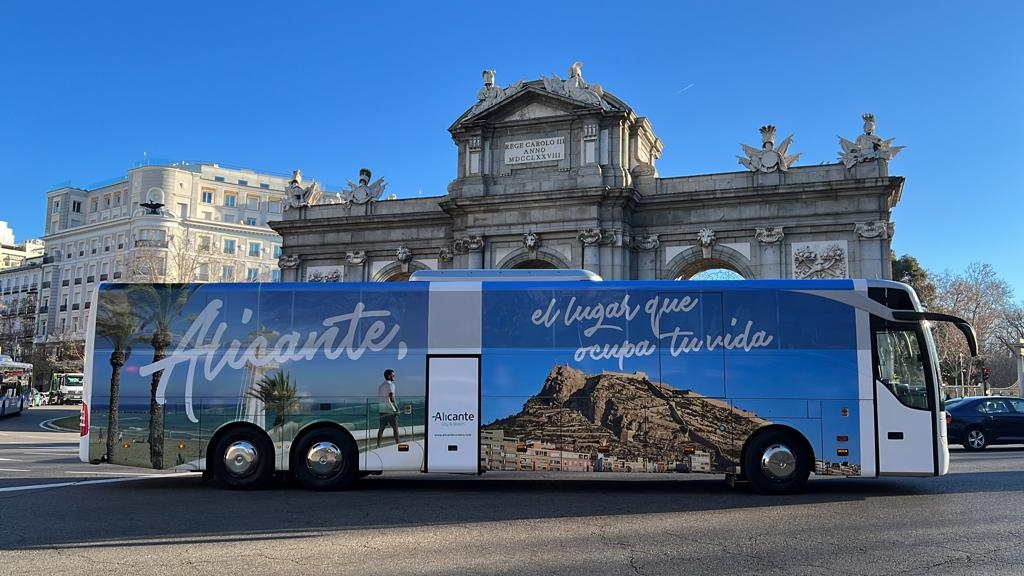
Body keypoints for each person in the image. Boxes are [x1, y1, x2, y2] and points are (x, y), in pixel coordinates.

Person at [377, 369, 401, 448]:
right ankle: (398, 444)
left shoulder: (381, 386)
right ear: (389, 376)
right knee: (395, 428)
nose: (394, 377)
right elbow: (391, 397)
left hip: (382, 409)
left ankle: (378, 445)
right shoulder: (391, 385)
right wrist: (397, 409)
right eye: (393, 375)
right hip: (390, 410)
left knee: (381, 429)